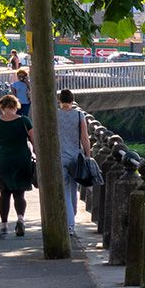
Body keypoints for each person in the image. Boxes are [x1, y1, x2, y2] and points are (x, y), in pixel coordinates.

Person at [0, 93, 35, 234]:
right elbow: (34, 140)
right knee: (19, 193)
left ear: (2, 107)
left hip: (1, 158)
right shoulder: (24, 121)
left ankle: (4, 226)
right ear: (15, 106)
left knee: (4, 192)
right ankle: (20, 219)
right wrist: (36, 155)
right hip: (21, 158)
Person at [52, 87, 89, 230]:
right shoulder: (79, 115)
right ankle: (71, 218)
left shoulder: (55, 114)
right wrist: (88, 155)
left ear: (59, 101)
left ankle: (69, 224)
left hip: (60, 156)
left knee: (65, 189)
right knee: (74, 188)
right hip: (76, 157)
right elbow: (85, 138)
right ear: (72, 101)